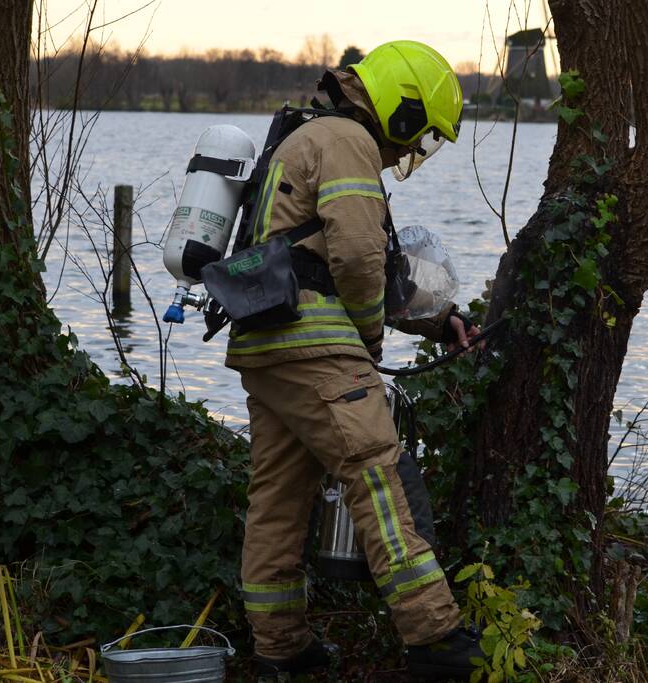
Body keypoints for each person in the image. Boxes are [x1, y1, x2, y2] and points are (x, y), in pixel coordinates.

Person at [224, 40, 484, 679]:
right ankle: (436, 640)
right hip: (317, 349)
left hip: (266, 343)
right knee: (377, 475)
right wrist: (367, 343)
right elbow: (357, 258)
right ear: (400, 110)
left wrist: (437, 321)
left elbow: (345, 262)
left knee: (278, 498)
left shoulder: (313, 137)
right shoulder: (347, 140)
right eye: (418, 134)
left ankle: (282, 648)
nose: (410, 151)